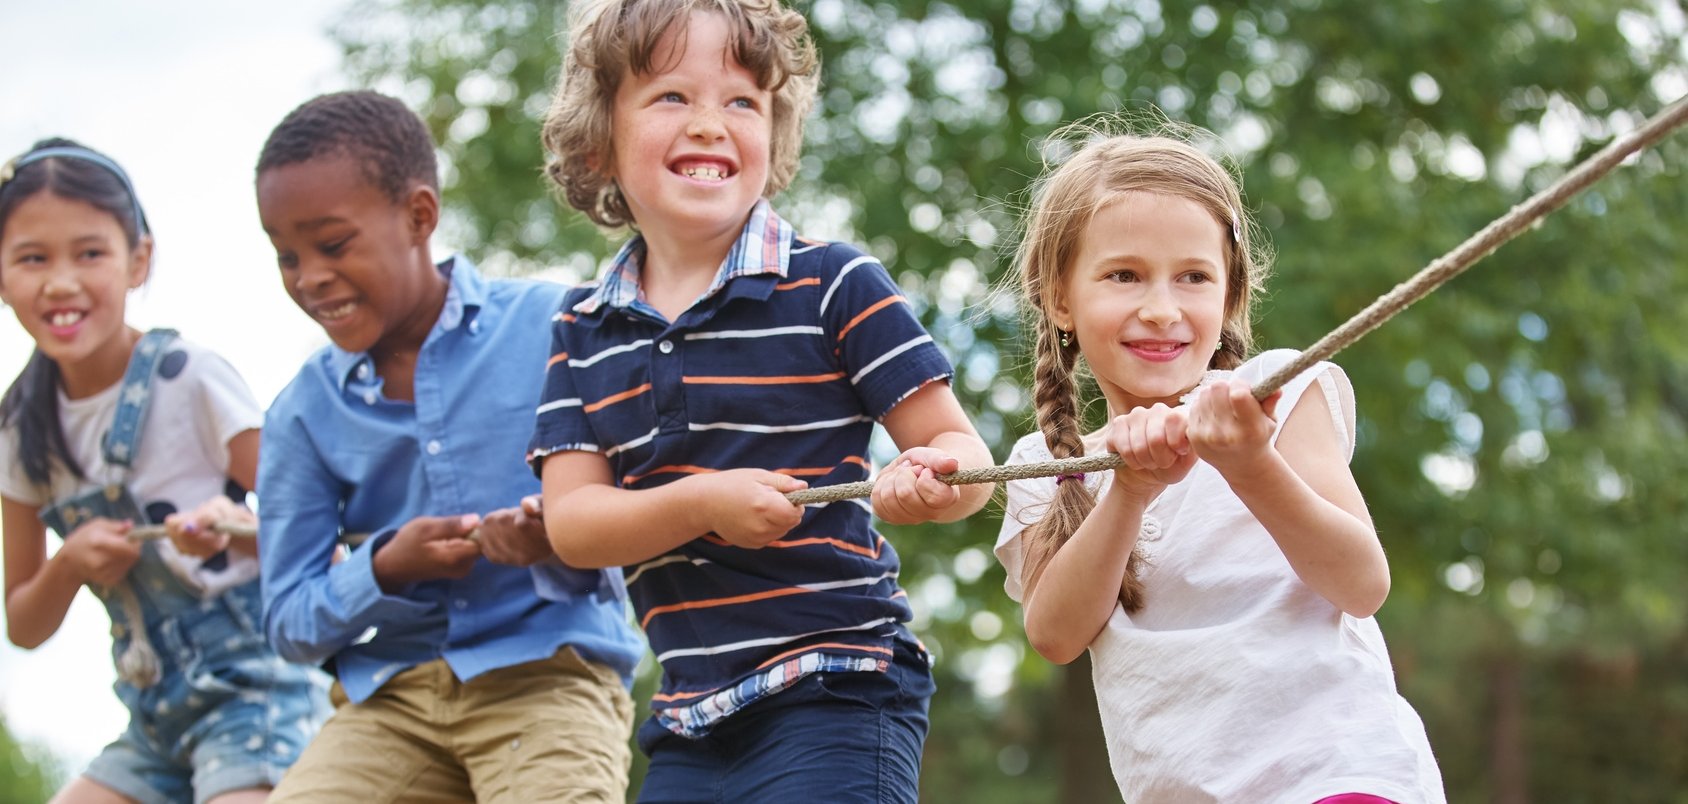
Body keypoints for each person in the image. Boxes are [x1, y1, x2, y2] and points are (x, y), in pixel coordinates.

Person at [531, 0, 993, 800]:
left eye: (743, 101)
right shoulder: (580, 329)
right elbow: (573, 527)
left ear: (773, 133)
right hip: (687, 718)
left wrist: (931, 481)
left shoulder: (834, 284)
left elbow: (969, 460)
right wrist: (703, 502)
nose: (711, 122)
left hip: (840, 683)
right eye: (672, 96)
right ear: (600, 136)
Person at [994, 125, 1446, 803]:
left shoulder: (1276, 394)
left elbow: (1361, 584)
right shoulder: (1044, 465)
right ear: (1061, 297)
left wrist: (1250, 465)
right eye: (1124, 275)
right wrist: (1129, 492)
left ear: (1229, 295)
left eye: (1193, 277)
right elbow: (1056, 636)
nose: (1161, 308)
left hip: (1339, 776)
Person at [252, 91, 645, 803]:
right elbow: (288, 620)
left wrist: (558, 535)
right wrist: (383, 568)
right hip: (390, 701)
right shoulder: (303, 415)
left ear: (418, 216)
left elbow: (652, 504)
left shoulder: (558, 328)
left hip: (548, 672)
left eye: (333, 245)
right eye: (286, 257)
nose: (309, 278)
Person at [0, 139, 328, 804]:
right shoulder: (21, 431)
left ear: (137, 259)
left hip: (258, 692)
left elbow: (319, 528)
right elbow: (24, 625)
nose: (60, 281)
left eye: (89, 253)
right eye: (32, 258)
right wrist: (69, 565)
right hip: (153, 716)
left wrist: (233, 528)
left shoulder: (189, 379)